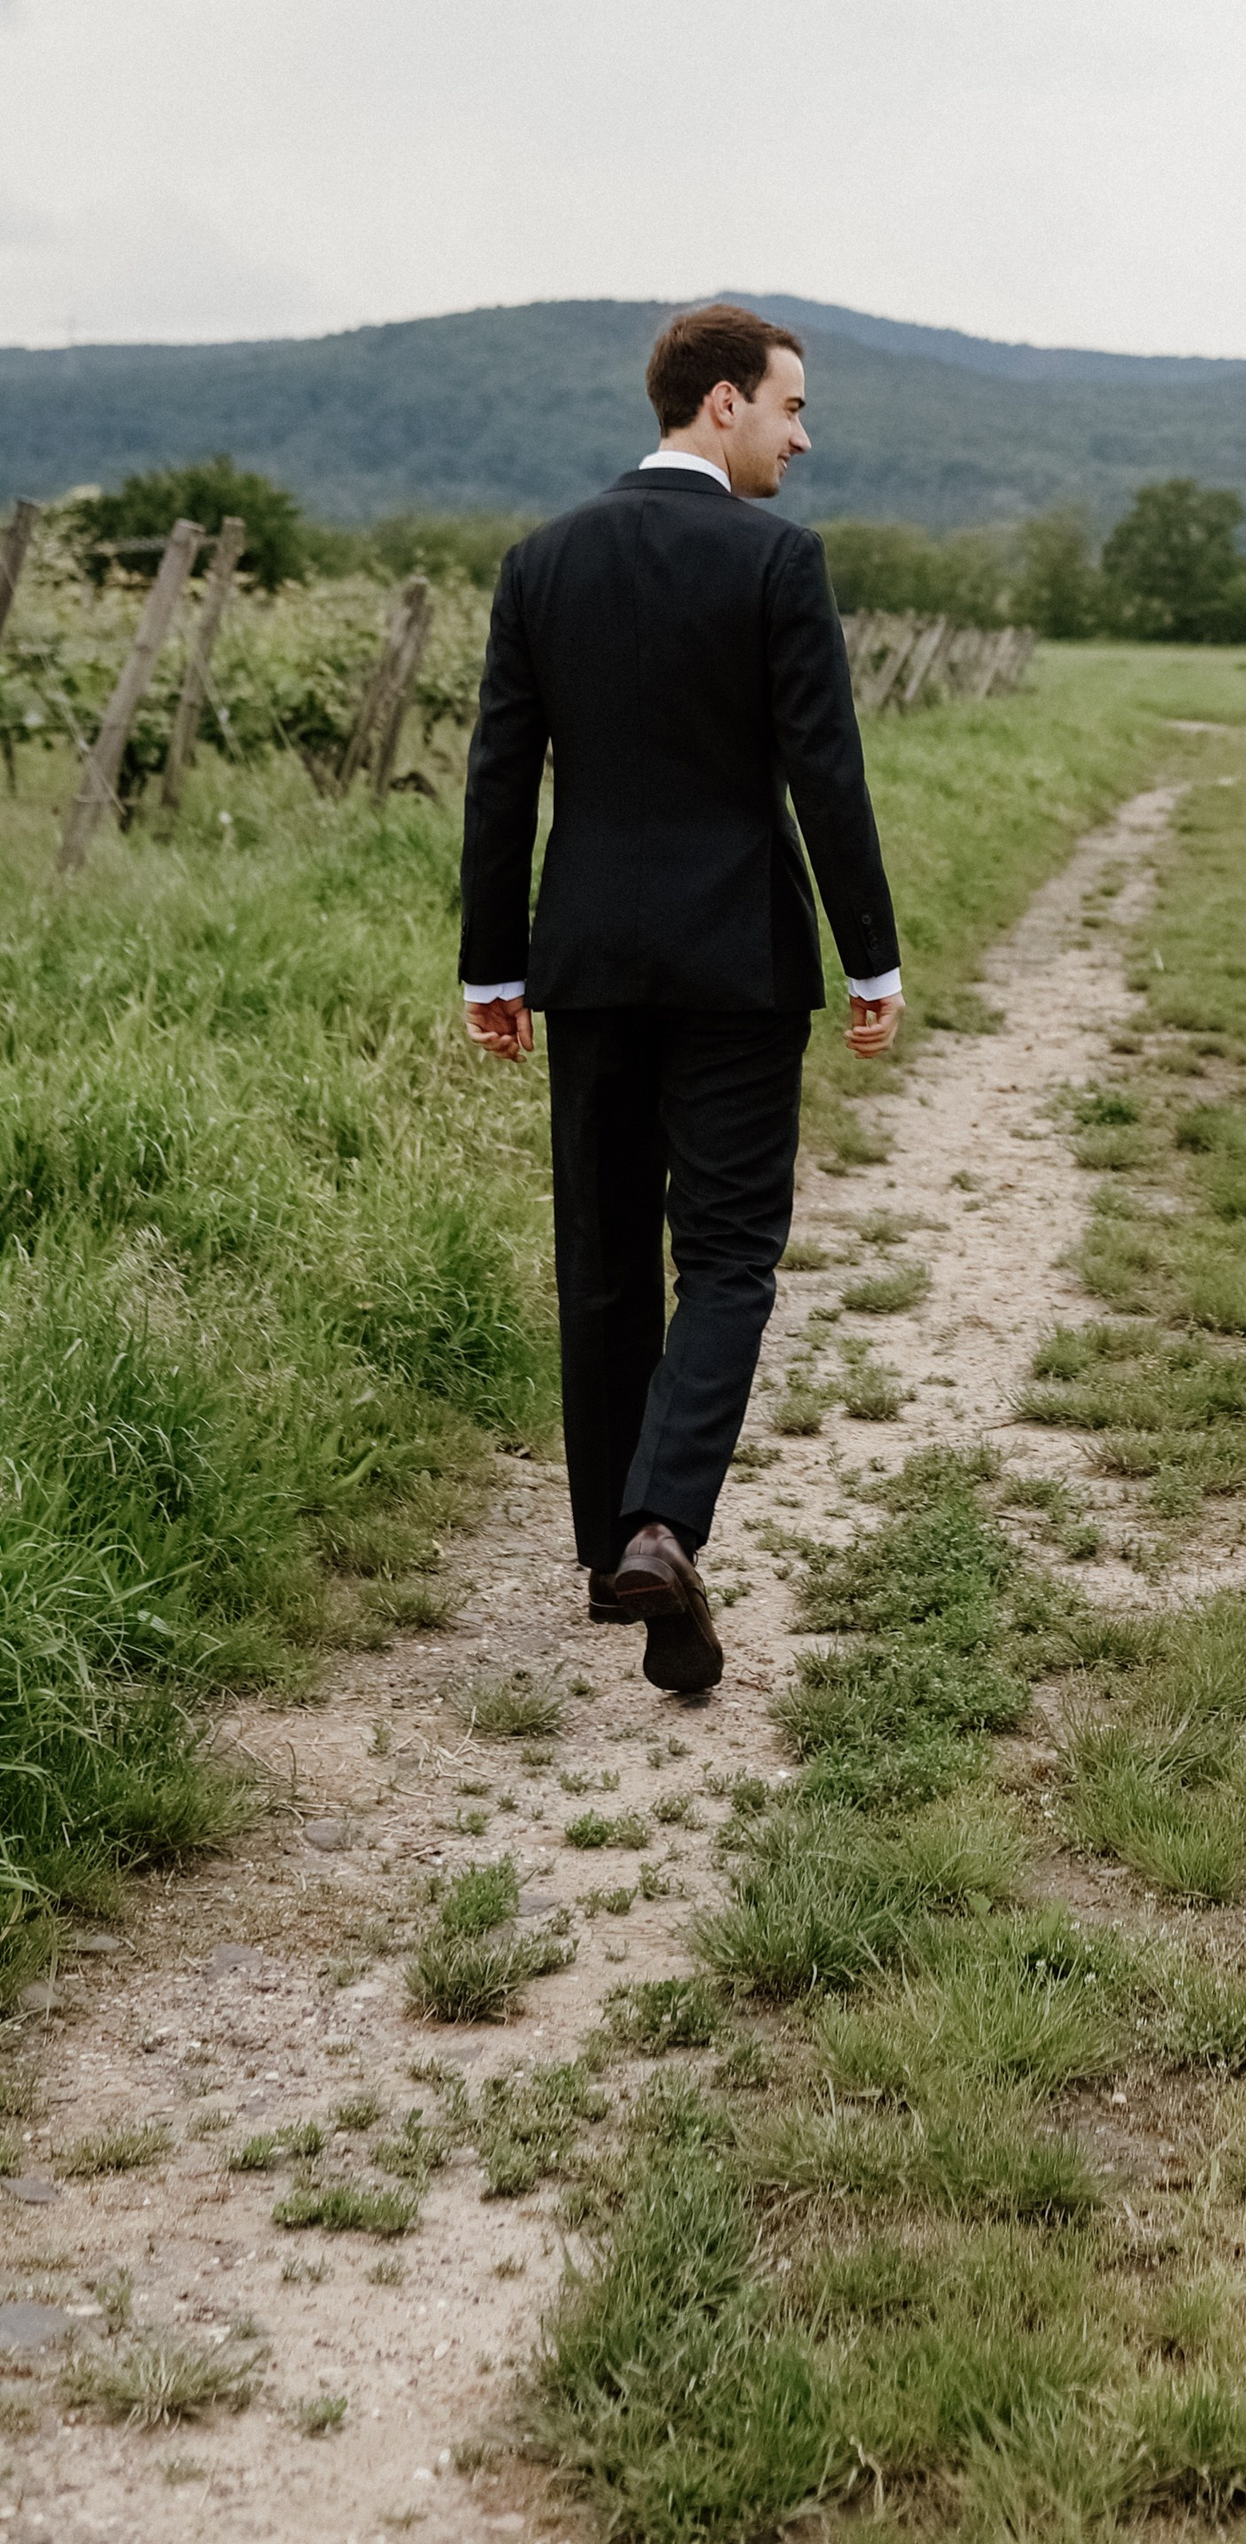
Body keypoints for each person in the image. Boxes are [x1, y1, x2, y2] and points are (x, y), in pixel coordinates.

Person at [457, 303, 902, 1696]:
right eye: (790, 408)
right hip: (739, 966)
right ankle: (663, 1522)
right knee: (723, 1255)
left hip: (584, 959)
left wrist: (493, 962)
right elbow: (824, 773)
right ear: (722, 405)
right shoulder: (777, 562)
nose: (802, 435)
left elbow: (497, 774)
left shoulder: (543, 564)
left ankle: (615, 1555)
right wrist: (870, 959)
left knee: (600, 1255)